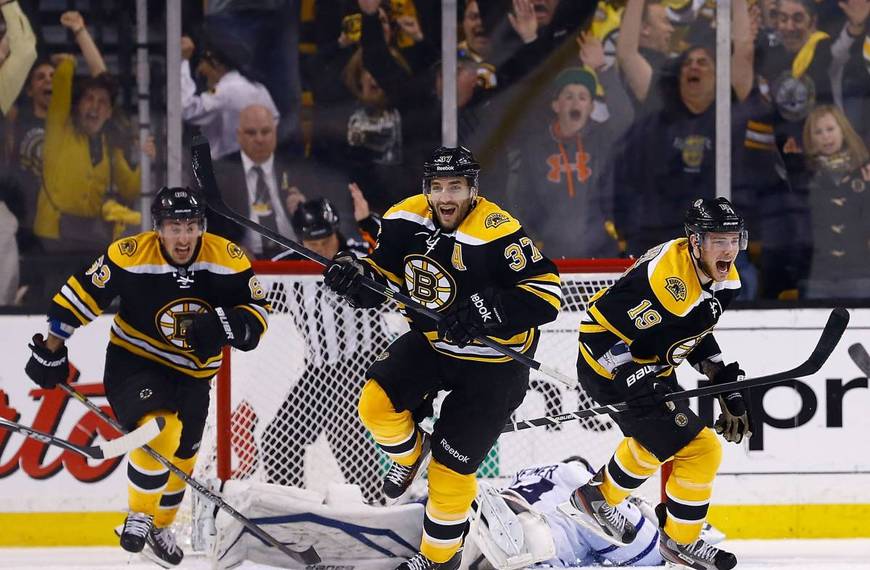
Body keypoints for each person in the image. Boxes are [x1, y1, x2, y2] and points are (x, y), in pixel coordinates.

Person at [323, 145, 562, 570]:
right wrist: (356, 275)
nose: (446, 196)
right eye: (437, 187)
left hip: (494, 364)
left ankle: (439, 559)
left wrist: (484, 313)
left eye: (455, 186)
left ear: (473, 190)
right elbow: (383, 274)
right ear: (427, 189)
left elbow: (547, 294)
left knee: (450, 470)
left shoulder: (496, 229)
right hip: (435, 343)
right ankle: (410, 454)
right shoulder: (404, 218)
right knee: (376, 404)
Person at [23, 187, 271, 567]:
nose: (183, 237)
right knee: (161, 429)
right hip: (135, 363)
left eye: (191, 227)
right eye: (174, 227)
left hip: (194, 375)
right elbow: (83, 294)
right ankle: (139, 515)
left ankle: (160, 527)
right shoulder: (130, 255)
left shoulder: (227, 259)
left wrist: (227, 325)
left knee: (185, 455)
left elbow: (258, 312)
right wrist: (52, 346)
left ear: (202, 227)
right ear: (158, 228)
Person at [561, 197, 752, 570]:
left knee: (674, 443)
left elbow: (695, 332)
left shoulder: (724, 281)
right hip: (608, 366)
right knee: (695, 447)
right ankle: (669, 535)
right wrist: (634, 380)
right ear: (695, 242)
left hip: (652, 366)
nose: (729, 250)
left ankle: (605, 501)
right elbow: (606, 329)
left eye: (734, 240)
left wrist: (722, 381)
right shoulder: (669, 284)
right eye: (718, 241)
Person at [260, 192, 389, 504]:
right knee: (278, 440)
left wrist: (368, 222)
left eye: (325, 241)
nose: (319, 250)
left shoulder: (359, 254)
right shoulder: (285, 265)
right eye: (311, 243)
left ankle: (374, 507)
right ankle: (294, 509)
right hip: (319, 370)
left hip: (364, 362)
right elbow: (251, 290)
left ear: (336, 232)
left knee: (345, 433)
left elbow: (393, 256)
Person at [467, 457, 664, 568]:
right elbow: (652, 557)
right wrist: (639, 507)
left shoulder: (529, 471)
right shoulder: (587, 484)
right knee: (655, 557)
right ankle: (531, 547)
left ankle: (500, 535)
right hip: (545, 546)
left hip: (495, 523)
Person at [801, 104, 870, 298]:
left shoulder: (864, 172)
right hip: (820, 276)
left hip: (860, 273)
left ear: (843, 131)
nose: (826, 136)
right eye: (818, 132)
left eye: (830, 129)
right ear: (811, 138)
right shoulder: (805, 176)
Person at [180, 32, 279, 159]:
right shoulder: (259, 88)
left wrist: (183, 61)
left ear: (216, 63)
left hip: (229, 163)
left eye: (202, 62)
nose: (199, 69)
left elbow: (186, 109)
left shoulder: (225, 90)